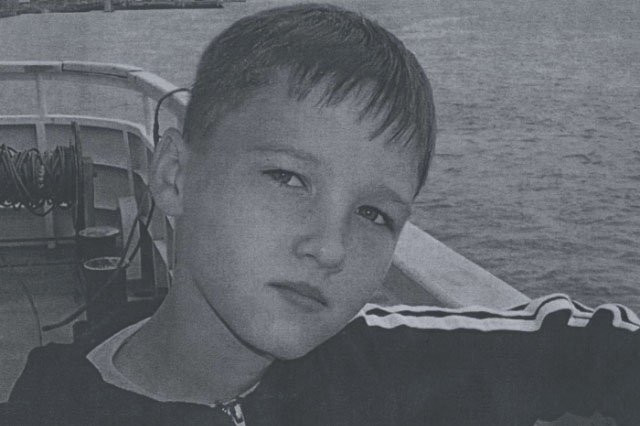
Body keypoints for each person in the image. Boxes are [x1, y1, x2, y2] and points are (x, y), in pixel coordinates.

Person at [4, 4, 639, 425]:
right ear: (175, 175)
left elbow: (589, 346)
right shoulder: (53, 409)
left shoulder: (379, 364)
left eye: (373, 214)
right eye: (288, 178)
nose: (330, 248)